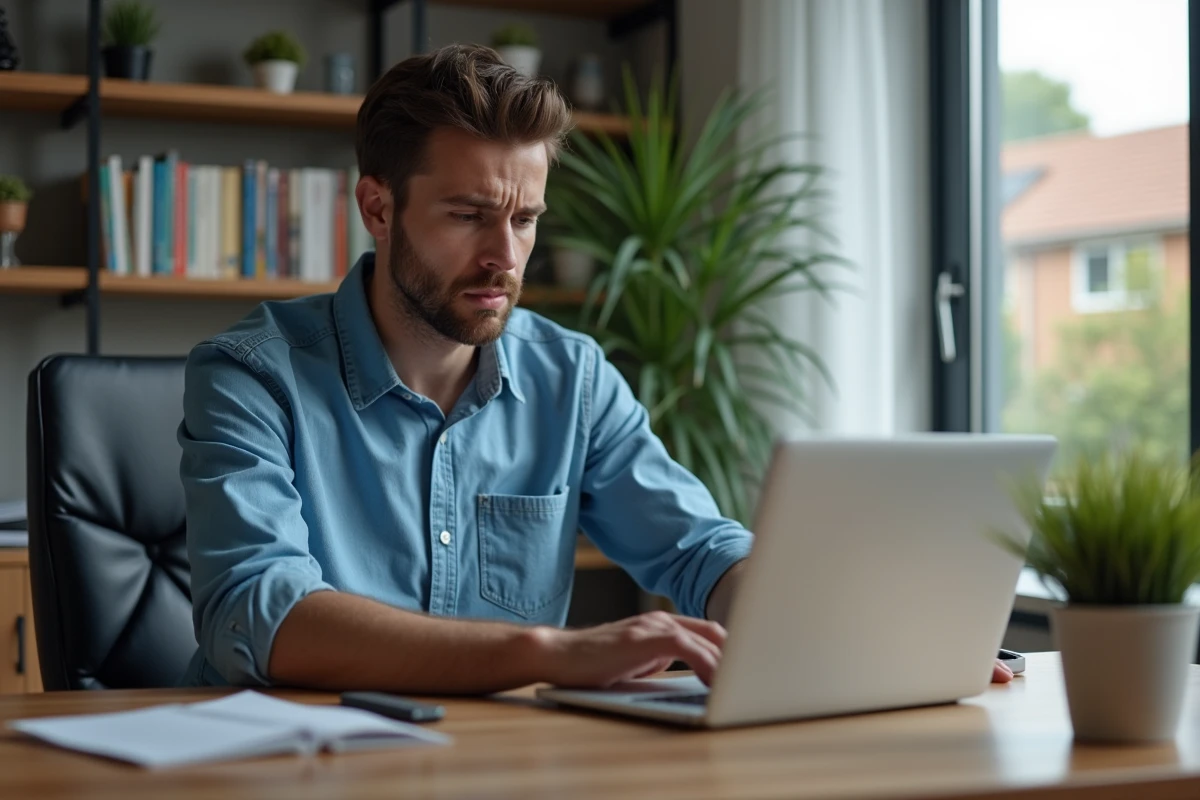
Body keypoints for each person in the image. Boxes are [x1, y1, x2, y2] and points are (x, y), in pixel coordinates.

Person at [179, 43, 1015, 692]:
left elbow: (696, 550)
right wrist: (553, 652)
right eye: (469, 215)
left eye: (526, 220)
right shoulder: (252, 376)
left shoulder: (569, 378)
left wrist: (872, 645)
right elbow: (262, 614)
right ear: (378, 207)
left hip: (510, 765)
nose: (504, 256)